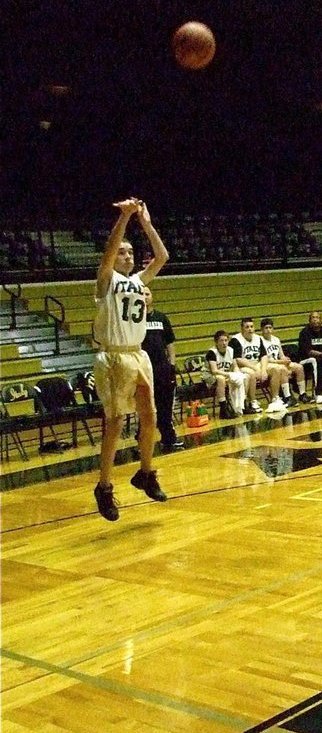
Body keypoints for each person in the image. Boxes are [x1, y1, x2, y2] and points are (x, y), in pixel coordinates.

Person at [92, 198, 168, 522]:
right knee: (116, 423)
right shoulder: (106, 281)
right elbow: (109, 251)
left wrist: (146, 224)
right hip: (113, 356)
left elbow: (163, 256)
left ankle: (146, 473)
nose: (126, 255)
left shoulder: (138, 282)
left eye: (130, 252)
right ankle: (104, 486)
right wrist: (124, 218)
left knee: (150, 416)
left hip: (138, 354)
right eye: (123, 252)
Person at [141, 286, 183, 451]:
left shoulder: (161, 318)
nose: (144, 297)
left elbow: (170, 342)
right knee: (145, 407)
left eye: (147, 294)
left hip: (162, 369)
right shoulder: (133, 319)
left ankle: (168, 437)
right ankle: (142, 439)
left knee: (165, 405)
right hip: (143, 369)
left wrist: (172, 364)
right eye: (141, 294)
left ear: (152, 297)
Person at [231, 317, 285, 413]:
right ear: (242, 328)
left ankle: (275, 399)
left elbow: (264, 356)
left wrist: (263, 370)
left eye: (251, 326)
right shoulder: (235, 340)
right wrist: (255, 369)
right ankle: (253, 401)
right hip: (242, 367)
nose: (250, 329)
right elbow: (237, 359)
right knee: (251, 373)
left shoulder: (258, 338)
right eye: (247, 327)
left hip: (257, 364)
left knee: (275, 369)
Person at [259, 317, 313, 406]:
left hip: (279, 361)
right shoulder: (260, 341)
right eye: (266, 328)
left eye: (270, 327)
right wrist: (281, 362)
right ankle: (287, 397)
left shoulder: (276, 339)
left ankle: (302, 394)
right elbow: (265, 359)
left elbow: (281, 355)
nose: (268, 330)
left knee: (299, 367)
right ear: (261, 329)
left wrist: (285, 359)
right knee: (283, 368)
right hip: (270, 364)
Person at [203, 330, 251, 417]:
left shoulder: (231, 350)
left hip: (225, 374)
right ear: (216, 342)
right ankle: (223, 409)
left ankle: (243, 404)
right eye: (221, 340)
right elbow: (214, 370)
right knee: (220, 379)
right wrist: (229, 375)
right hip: (209, 376)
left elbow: (235, 366)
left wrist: (237, 373)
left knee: (245, 377)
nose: (224, 343)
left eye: (226, 340)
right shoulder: (212, 352)